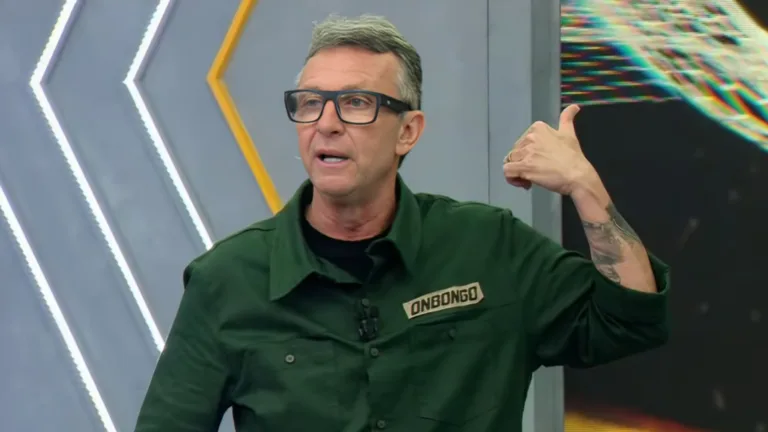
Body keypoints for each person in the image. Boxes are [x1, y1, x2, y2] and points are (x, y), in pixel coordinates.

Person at [134, 14, 669, 432]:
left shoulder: (488, 247)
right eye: (311, 103)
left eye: (356, 103)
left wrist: (584, 187)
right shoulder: (228, 280)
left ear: (408, 131)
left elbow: (631, 319)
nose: (326, 124)